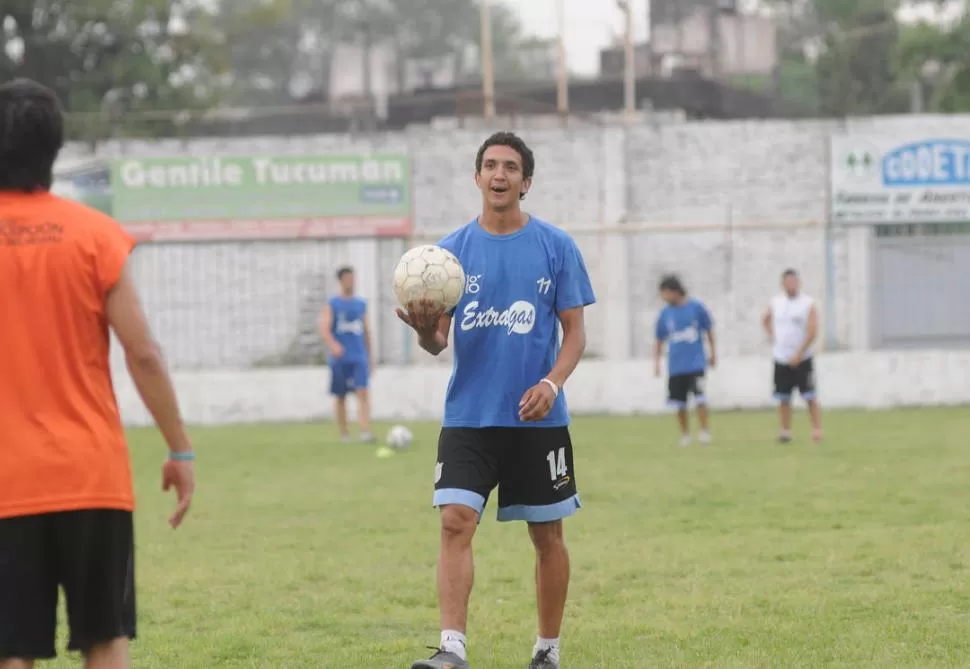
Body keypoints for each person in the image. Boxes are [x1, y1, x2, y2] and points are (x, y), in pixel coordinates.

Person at [0, 79, 195, 669]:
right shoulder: (93, 235)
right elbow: (143, 353)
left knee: (12, 650)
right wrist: (179, 451)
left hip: (7, 482)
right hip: (92, 475)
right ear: (55, 149)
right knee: (105, 639)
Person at [396, 131, 596, 669]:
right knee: (454, 520)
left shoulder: (556, 247)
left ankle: (547, 651)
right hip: (469, 417)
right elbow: (438, 342)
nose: (500, 174)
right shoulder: (450, 254)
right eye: (490, 165)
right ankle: (451, 648)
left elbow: (575, 333)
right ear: (477, 177)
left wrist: (551, 383)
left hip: (539, 420)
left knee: (547, 535)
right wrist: (421, 331)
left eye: (510, 166)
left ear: (526, 182)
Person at [653, 275, 716, 446]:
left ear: (674, 291)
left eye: (665, 293)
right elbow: (659, 339)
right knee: (679, 403)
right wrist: (657, 363)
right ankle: (685, 434)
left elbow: (709, 330)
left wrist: (713, 353)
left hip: (696, 363)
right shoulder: (665, 314)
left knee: (700, 398)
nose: (664, 298)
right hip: (676, 366)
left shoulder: (696, 308)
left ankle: (704, 432)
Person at [762, 268, 823, 443]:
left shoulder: (807, 304)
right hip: (781, 357)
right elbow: (765, 319)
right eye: (788, 281)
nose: (791, 285)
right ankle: (785, 431)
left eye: (794, 281)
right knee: (783, 398)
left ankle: (817, 430)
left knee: (809, 396)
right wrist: (773, 336)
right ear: (783, 284)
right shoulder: (776, 302)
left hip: (802, 359)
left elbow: (812, 332)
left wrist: (800, 353)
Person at [319, 266, 375, 443]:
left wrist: (370, 356)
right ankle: (344, 433)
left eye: (353, 278)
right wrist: (333, 345)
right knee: (341, 395)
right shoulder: (333, 304)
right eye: (348, 278)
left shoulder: (360, 304)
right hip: (340, 358)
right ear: (341, 281)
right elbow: (324, 329)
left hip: (358, 356)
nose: (352, 282)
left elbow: (366, 331)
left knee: (363, 392)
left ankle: (365, 431)